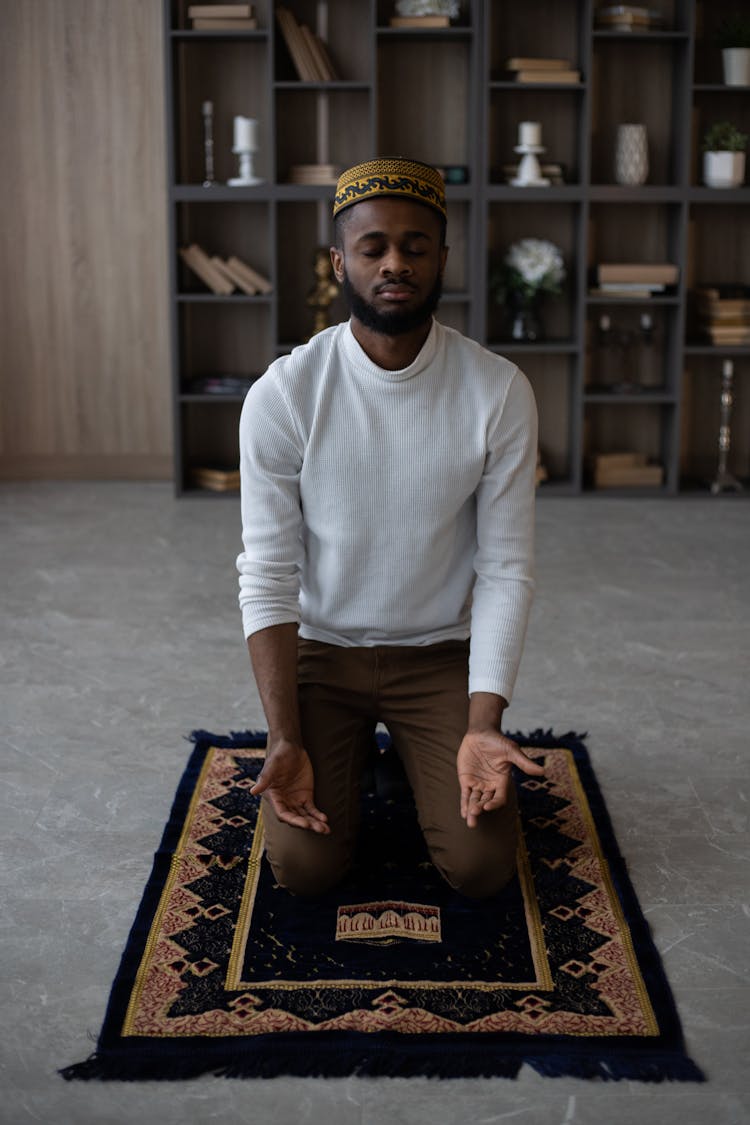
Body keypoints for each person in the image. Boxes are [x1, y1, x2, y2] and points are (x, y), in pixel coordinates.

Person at [237, 157, 543, 901]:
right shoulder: (284, 393)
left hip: (437, 655)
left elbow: (505, 566)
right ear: (341, 261)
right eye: (373, 247)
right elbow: (269, 571)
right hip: (323, 654)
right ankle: (369, 758)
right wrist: (282, 734)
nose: (394, 263)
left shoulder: (497, 390)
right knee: (305, 872)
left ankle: (419, 755)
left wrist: (483, 719)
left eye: (415, 245)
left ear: (442, 256)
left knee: (480, 868)